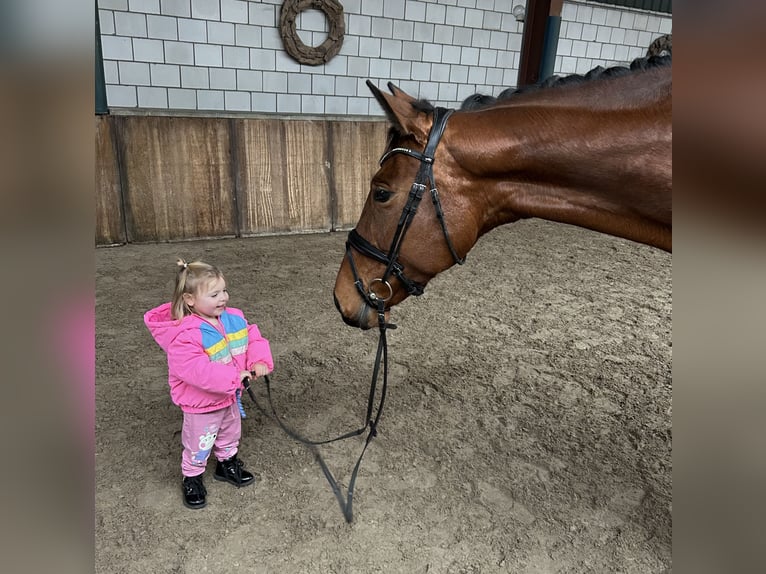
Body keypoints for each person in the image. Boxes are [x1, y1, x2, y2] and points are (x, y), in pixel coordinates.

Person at [144, 259, 273, 509]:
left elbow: (253, 337)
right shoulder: (185, 334)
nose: (223, 298)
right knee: (199, 442)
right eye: (214, 294)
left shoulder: (233, 318)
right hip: (201, 404)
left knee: (230, 432)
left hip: (229, 396)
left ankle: (226, 464)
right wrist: (235, 378)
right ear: (190, 299)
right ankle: (191, 477)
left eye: (224, 290)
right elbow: (197, 371)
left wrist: (258, 360)